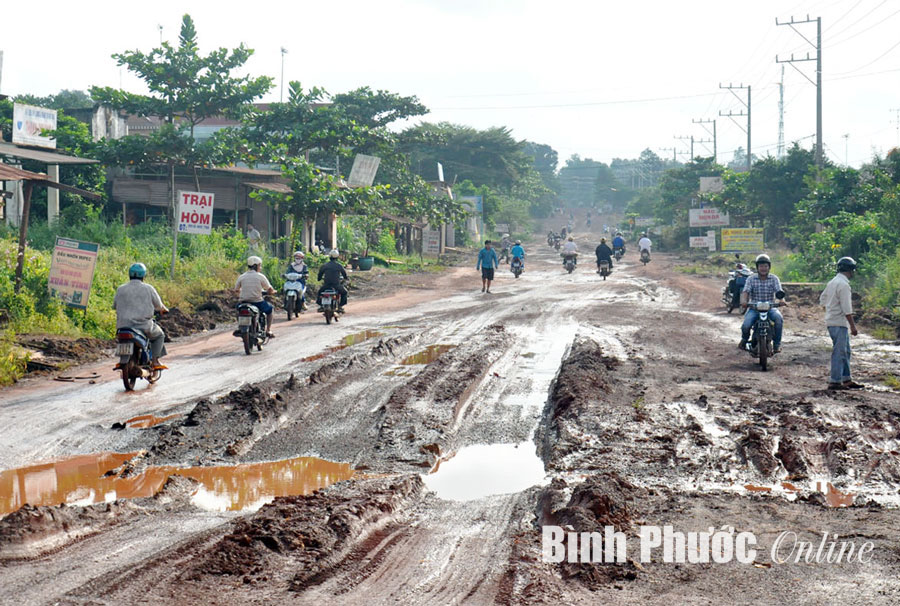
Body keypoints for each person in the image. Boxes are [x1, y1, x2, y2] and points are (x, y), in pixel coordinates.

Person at [113, 263, 169, 369]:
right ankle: (155, 361)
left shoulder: (120, 289)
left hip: (123, 326)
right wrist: (163, 310)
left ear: (129, 274)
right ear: (143, 275)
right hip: (143, 325)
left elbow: (115, 305)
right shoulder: (148, 288)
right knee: (159, 335)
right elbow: (159, 305)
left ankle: (122, 360)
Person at [820, 257, 863, 390]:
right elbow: (846, 308)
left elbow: (822, 299)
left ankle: (846, 378)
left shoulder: (833, 282)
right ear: (850, 270)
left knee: (845, 351)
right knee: (839, 352)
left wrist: (830, 309)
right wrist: (853, 326)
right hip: (839, 322)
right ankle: (835, 381)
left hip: (832, 321)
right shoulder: (844, 285)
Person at [739, 254, 784, 353]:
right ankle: (744, 339)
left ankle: (777, 344)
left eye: (765, 266)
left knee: (778, 319)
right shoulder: (751, 278)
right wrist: (744, 301)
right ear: (757, 267)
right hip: (754, 308)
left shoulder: (774, 278)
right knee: (746, 325)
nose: (763, 268)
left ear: (769, 267)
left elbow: (779, 291)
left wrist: (781, 300)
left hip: (770, 307)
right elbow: (745, 292)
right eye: (761, 266)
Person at [235, 255, 276, 337]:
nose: (260, 267)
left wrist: (241, 292)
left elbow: (236, 290)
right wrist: (272, 292)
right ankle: (268, 330)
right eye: (260, 265)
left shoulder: (242, 276)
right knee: (270, 309)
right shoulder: (260, 276)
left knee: (237, 310)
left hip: (243, 302)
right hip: (257, 302)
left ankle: (240, 326)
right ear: (257, 266)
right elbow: (269, 289)